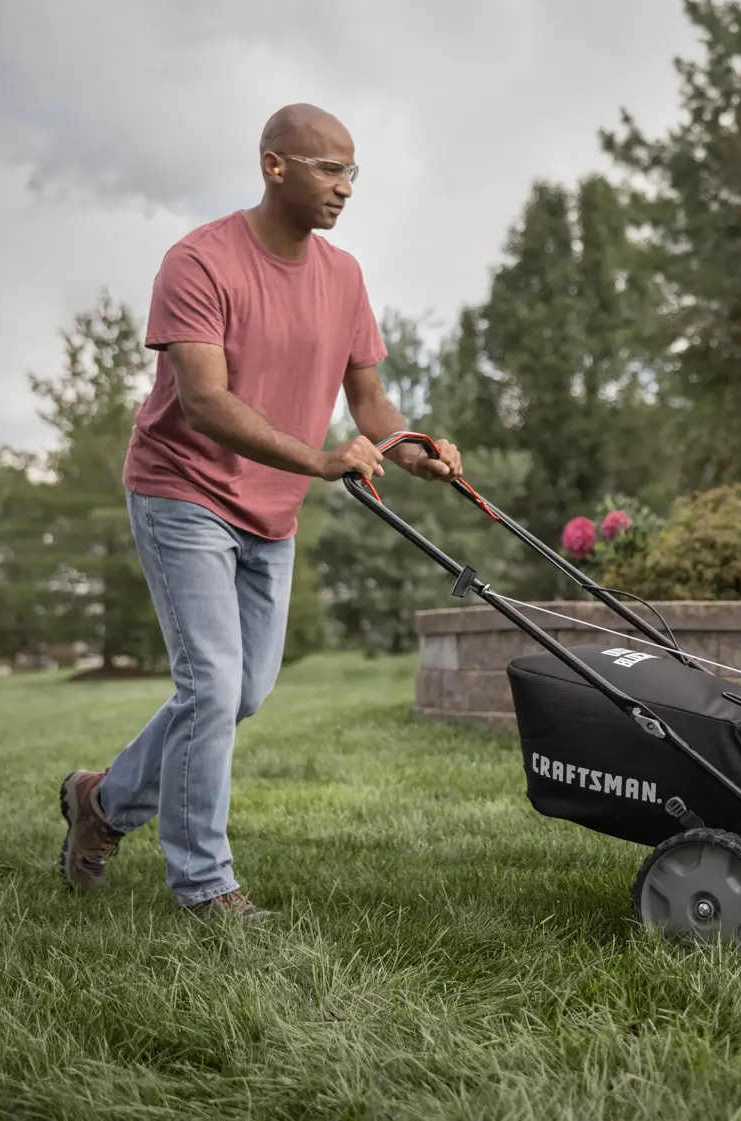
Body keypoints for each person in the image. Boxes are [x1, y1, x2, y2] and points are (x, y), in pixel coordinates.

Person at [55, 103, 462, 922]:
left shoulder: (343, 276)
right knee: (209, 684)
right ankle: (207, 886)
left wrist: (410, 448)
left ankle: (100, 802)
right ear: (275, 166)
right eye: (328, 169)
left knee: (240, 693)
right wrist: (322, 460)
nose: (345, 187)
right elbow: (204, 403)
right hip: (183, 490)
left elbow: (370, 398)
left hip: (270, 512)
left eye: (353, 172)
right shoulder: (200, 261)